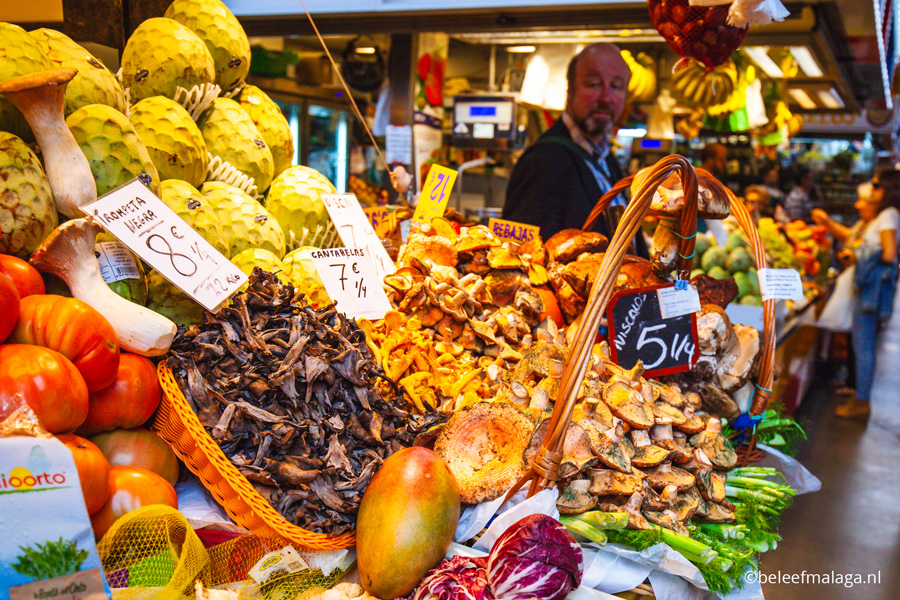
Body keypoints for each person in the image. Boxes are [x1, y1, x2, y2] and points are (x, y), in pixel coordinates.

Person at [502, 43, 648, 257]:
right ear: (570, 87)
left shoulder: (608, 160)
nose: (605, 98)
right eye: (593, 84)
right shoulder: (542, 162)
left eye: (616, 86)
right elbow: (520, 258)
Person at [812, 170, 900, 420]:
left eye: (876, 185)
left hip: (871, 290)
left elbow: (890, 253)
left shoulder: (888, 215)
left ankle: (861, 402)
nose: (872, 189)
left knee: (864, 346)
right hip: (869, 289)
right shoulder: (884, 216)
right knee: (861, 344)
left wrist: (857, 256)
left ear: (887, 189)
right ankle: (859, 397)